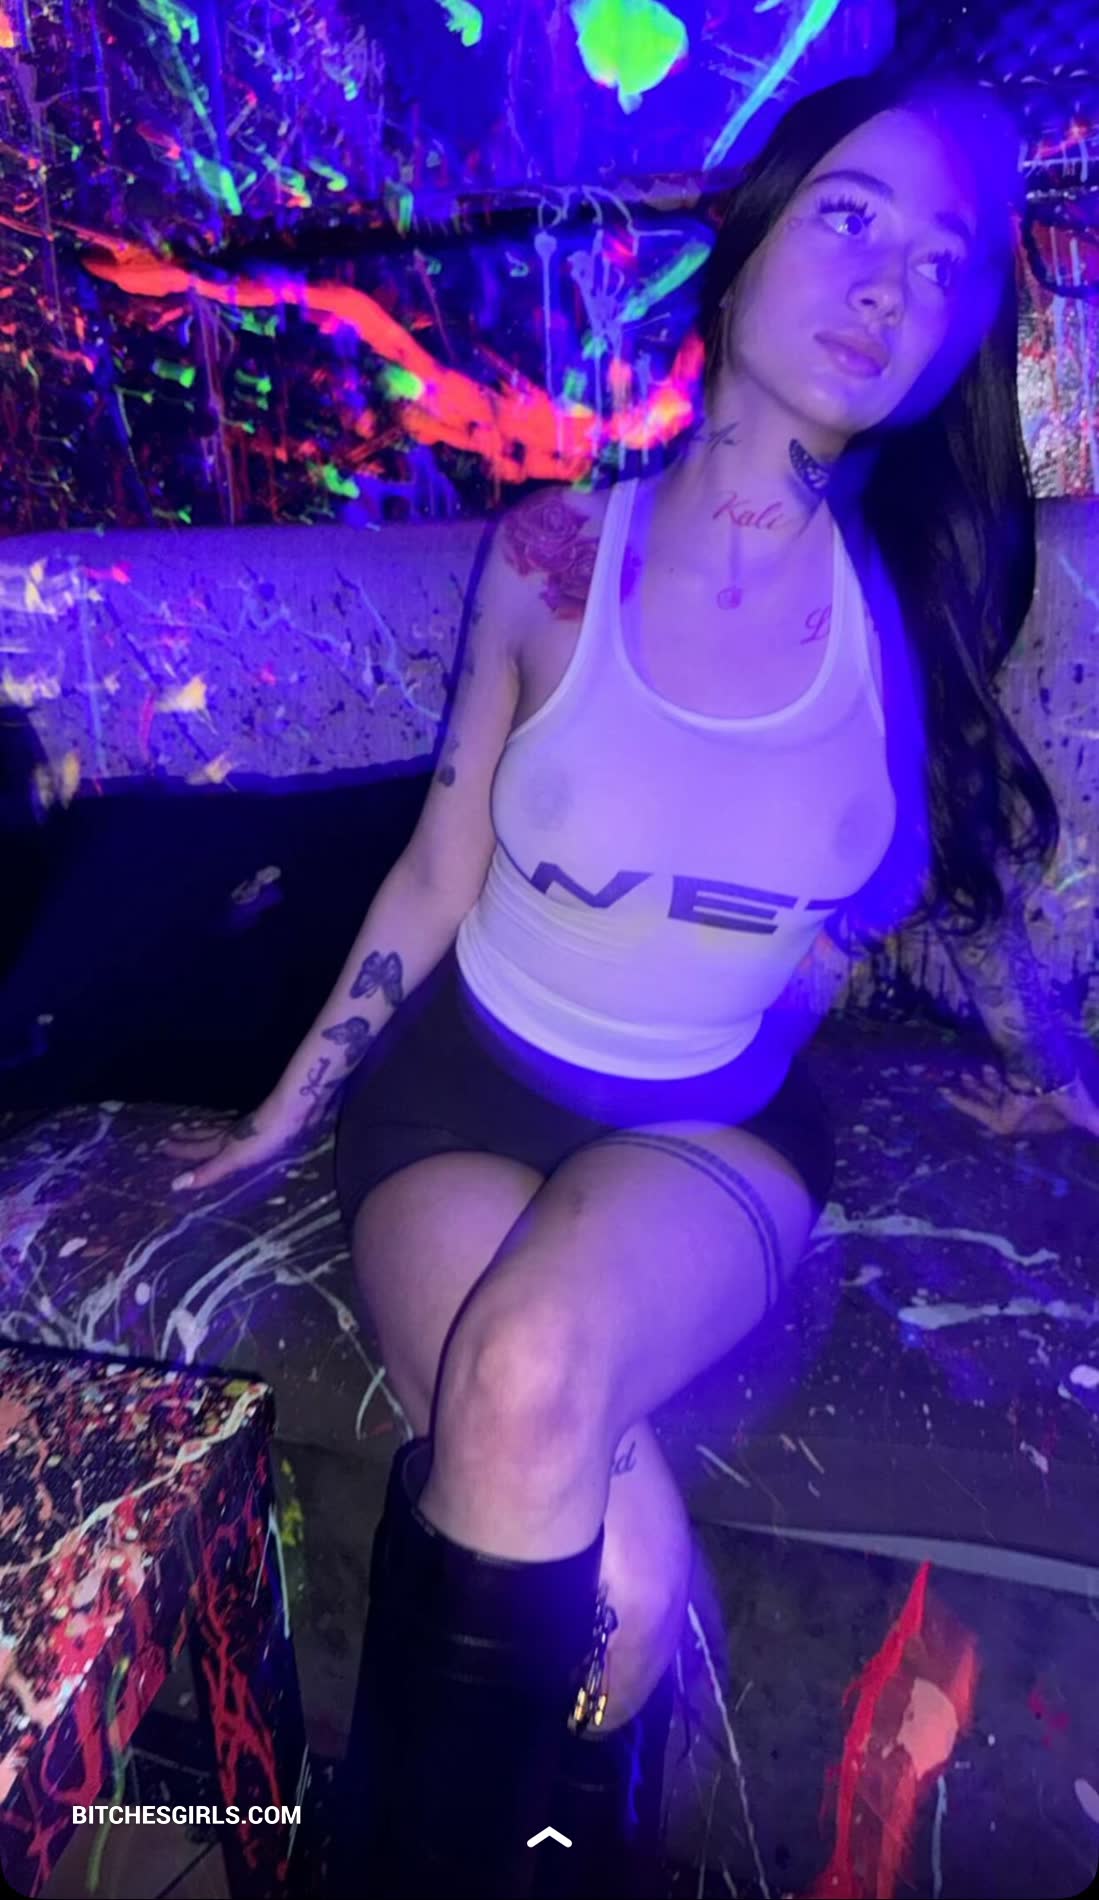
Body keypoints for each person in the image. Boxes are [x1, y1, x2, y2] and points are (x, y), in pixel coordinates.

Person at [161, 61, 1099, 1900]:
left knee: (534, 1375)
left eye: (944, 261)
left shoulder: (923, 607)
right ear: (743, 249)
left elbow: (947, 903)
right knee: (618, 1545)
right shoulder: (551, 554)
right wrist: (283, 1107)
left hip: (714, 1133)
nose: (891, 284)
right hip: (458, 1099)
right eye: (849, 216)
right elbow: (438, 869)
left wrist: (1058, 1067)